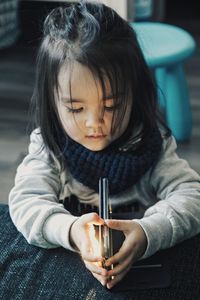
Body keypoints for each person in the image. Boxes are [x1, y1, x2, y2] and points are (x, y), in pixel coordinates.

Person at [8, 1, 200, 291]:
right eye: (75, 109)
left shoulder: (151, 142)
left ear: (135, 94)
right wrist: (72, 230)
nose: (94, 124)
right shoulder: (49, 147)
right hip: (71, 271)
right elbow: (25, 202)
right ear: (52, 103)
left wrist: (148, 232)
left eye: (111, 106)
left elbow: (192, 197)